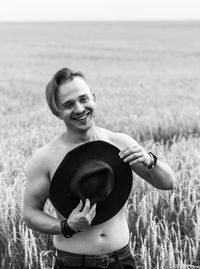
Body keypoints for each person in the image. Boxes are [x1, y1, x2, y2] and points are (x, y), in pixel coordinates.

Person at [23, 67, 176, 269]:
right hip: (74, 263)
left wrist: (150, 160)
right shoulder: (45, 158)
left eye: (84, 99)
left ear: (93, 98)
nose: (79, 109)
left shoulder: (119, 142)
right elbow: (30, 213)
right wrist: (67, 227)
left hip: (121, 261)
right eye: (68, 104)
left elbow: (168, 183)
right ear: (57, 112)